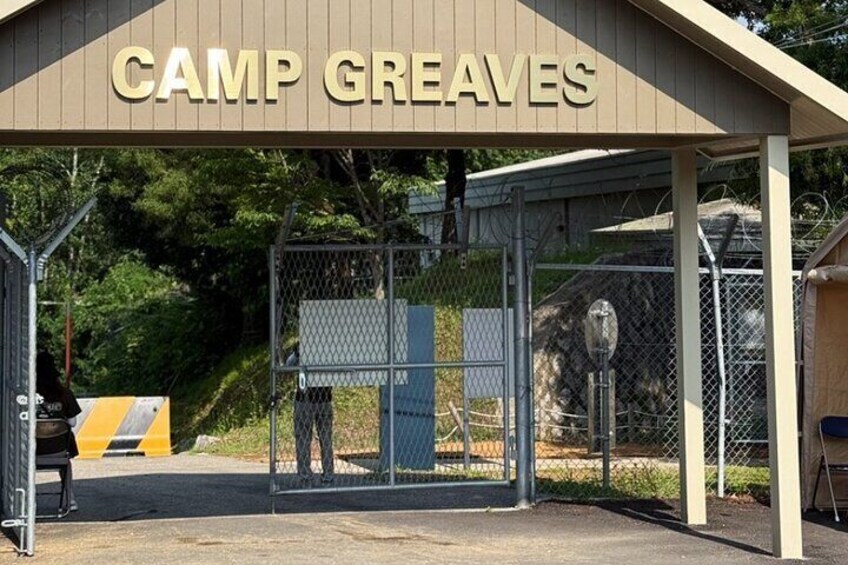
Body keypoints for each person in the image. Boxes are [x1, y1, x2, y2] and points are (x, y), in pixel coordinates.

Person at [35, 351, 82, 512]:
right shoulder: (65, 394)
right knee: (66, 463)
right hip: (58, 450)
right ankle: (70, 498)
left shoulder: (26, 395)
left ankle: (26, 500)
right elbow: (72, 423)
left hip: (32, 451)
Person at [288, 348, 334, 487]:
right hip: (322, 397)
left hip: (306, 399)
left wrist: (297, 352)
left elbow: (289, 365)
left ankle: (305, 476)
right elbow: (288, 366)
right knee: (325, 438)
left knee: (304, 439)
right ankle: (327, 476)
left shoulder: (304, 349)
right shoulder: (330, 349)